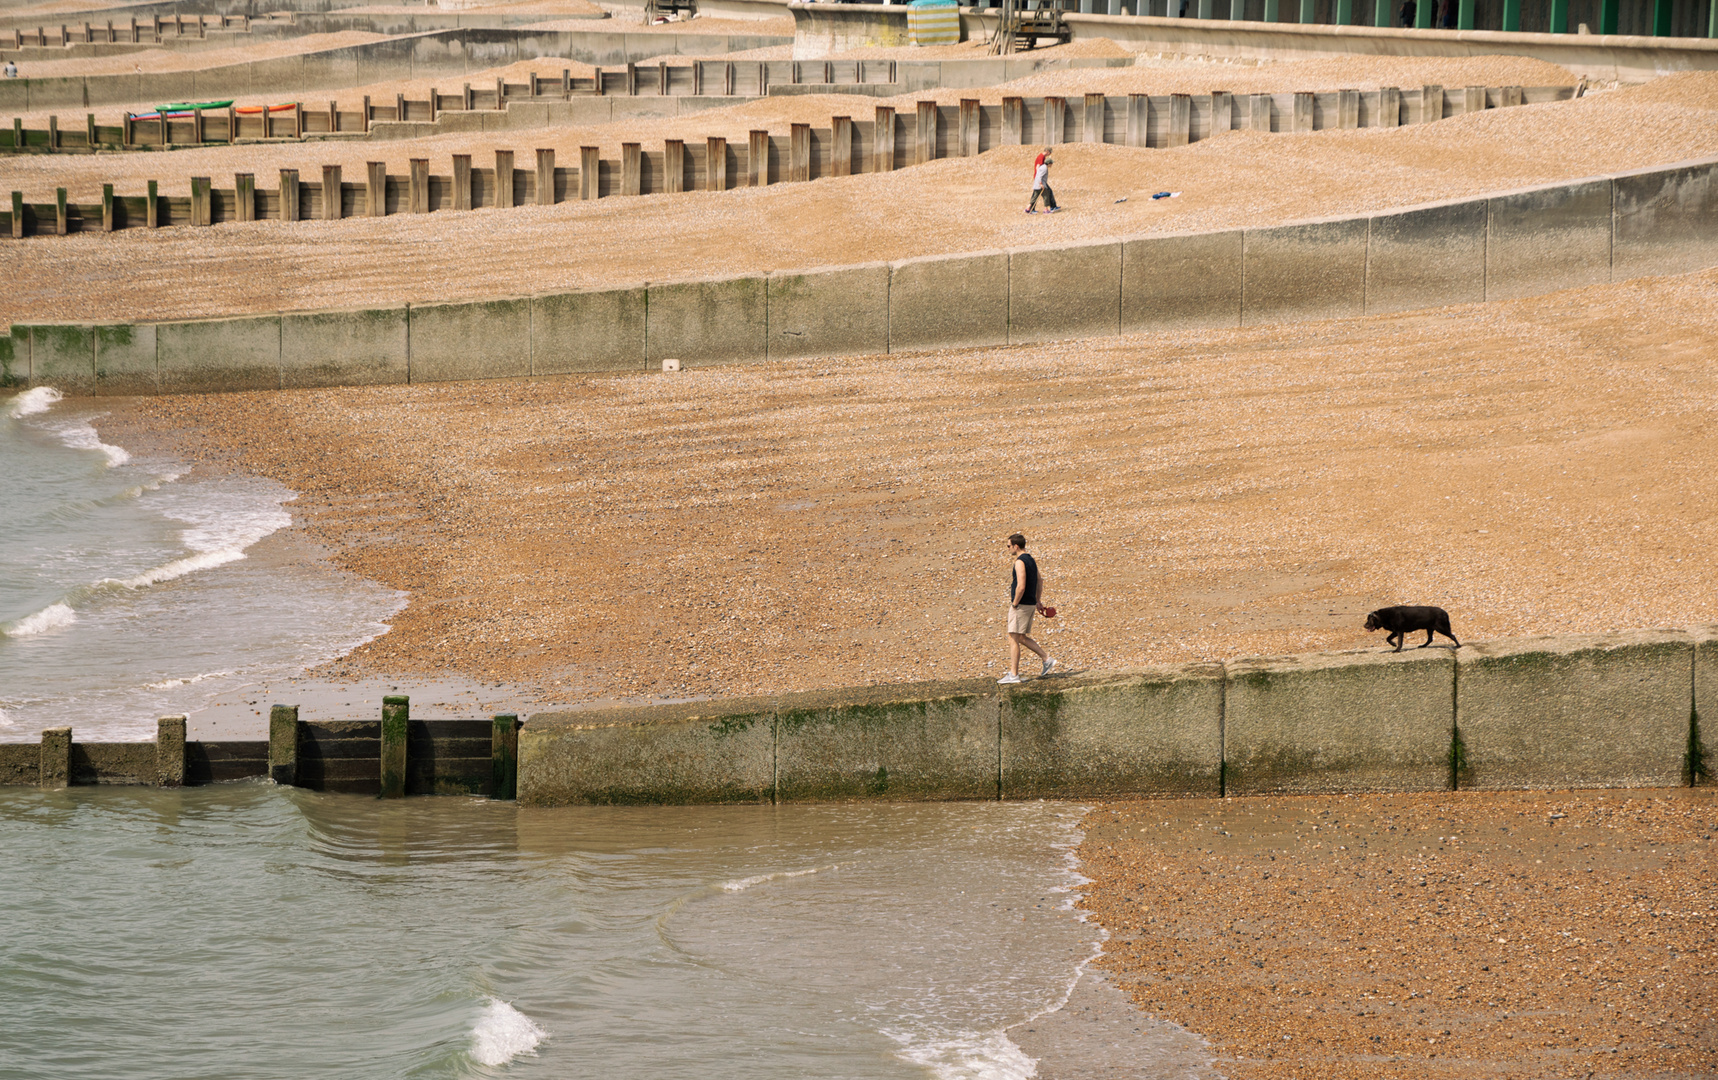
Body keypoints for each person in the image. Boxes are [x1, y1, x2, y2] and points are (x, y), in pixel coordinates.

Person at [999, 533, 1055, 684]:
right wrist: (1037, 601)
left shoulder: (1019, 561)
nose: (1008, 548)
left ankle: (1013, 675)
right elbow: (1040, 581)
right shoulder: (1031, 560)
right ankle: (1046, 659)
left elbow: (1021, 586)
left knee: (1013, 638)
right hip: (1030, 604)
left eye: (1009, 546)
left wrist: (1015, 604)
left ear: (1016, 546)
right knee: (1021, 637)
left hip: (1021, 605)